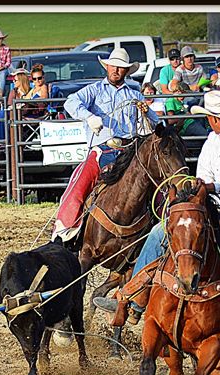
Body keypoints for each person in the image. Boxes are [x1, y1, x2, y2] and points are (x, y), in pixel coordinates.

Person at [94, 90, 220, 362]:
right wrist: (193, 191)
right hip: (215, 207)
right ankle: (133, 296)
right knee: (159, 233)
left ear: (213, 117)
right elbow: (203, 174)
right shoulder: (213, 140)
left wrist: (208, 187)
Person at [51, 48, 159, 242]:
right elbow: (71, 102)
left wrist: (147, 113)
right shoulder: (94, 90)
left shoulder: (135, 94)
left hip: (130, 149)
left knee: (155, 180)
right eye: (113, 66)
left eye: (121, 67)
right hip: (104, 148)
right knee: (81, 179)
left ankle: (164, 221)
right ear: (107, 67)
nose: (116, 70)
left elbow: (156, 122)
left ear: (127, 71)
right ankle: (64, 226)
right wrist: (89, 116)